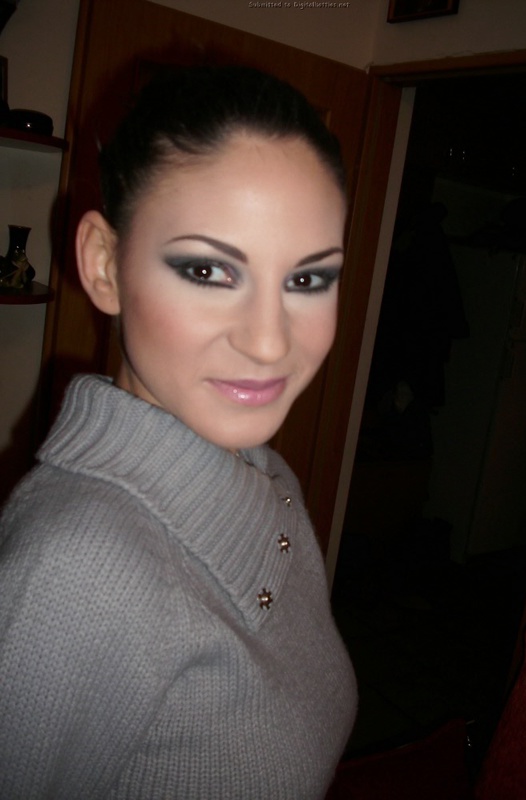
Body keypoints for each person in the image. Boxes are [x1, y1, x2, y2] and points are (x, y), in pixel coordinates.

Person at [0, 65, 357, 799]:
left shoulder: (265, 471)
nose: (268, 343)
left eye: (307, 280)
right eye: (208, 271)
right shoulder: (78, 569)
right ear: (104, 265)